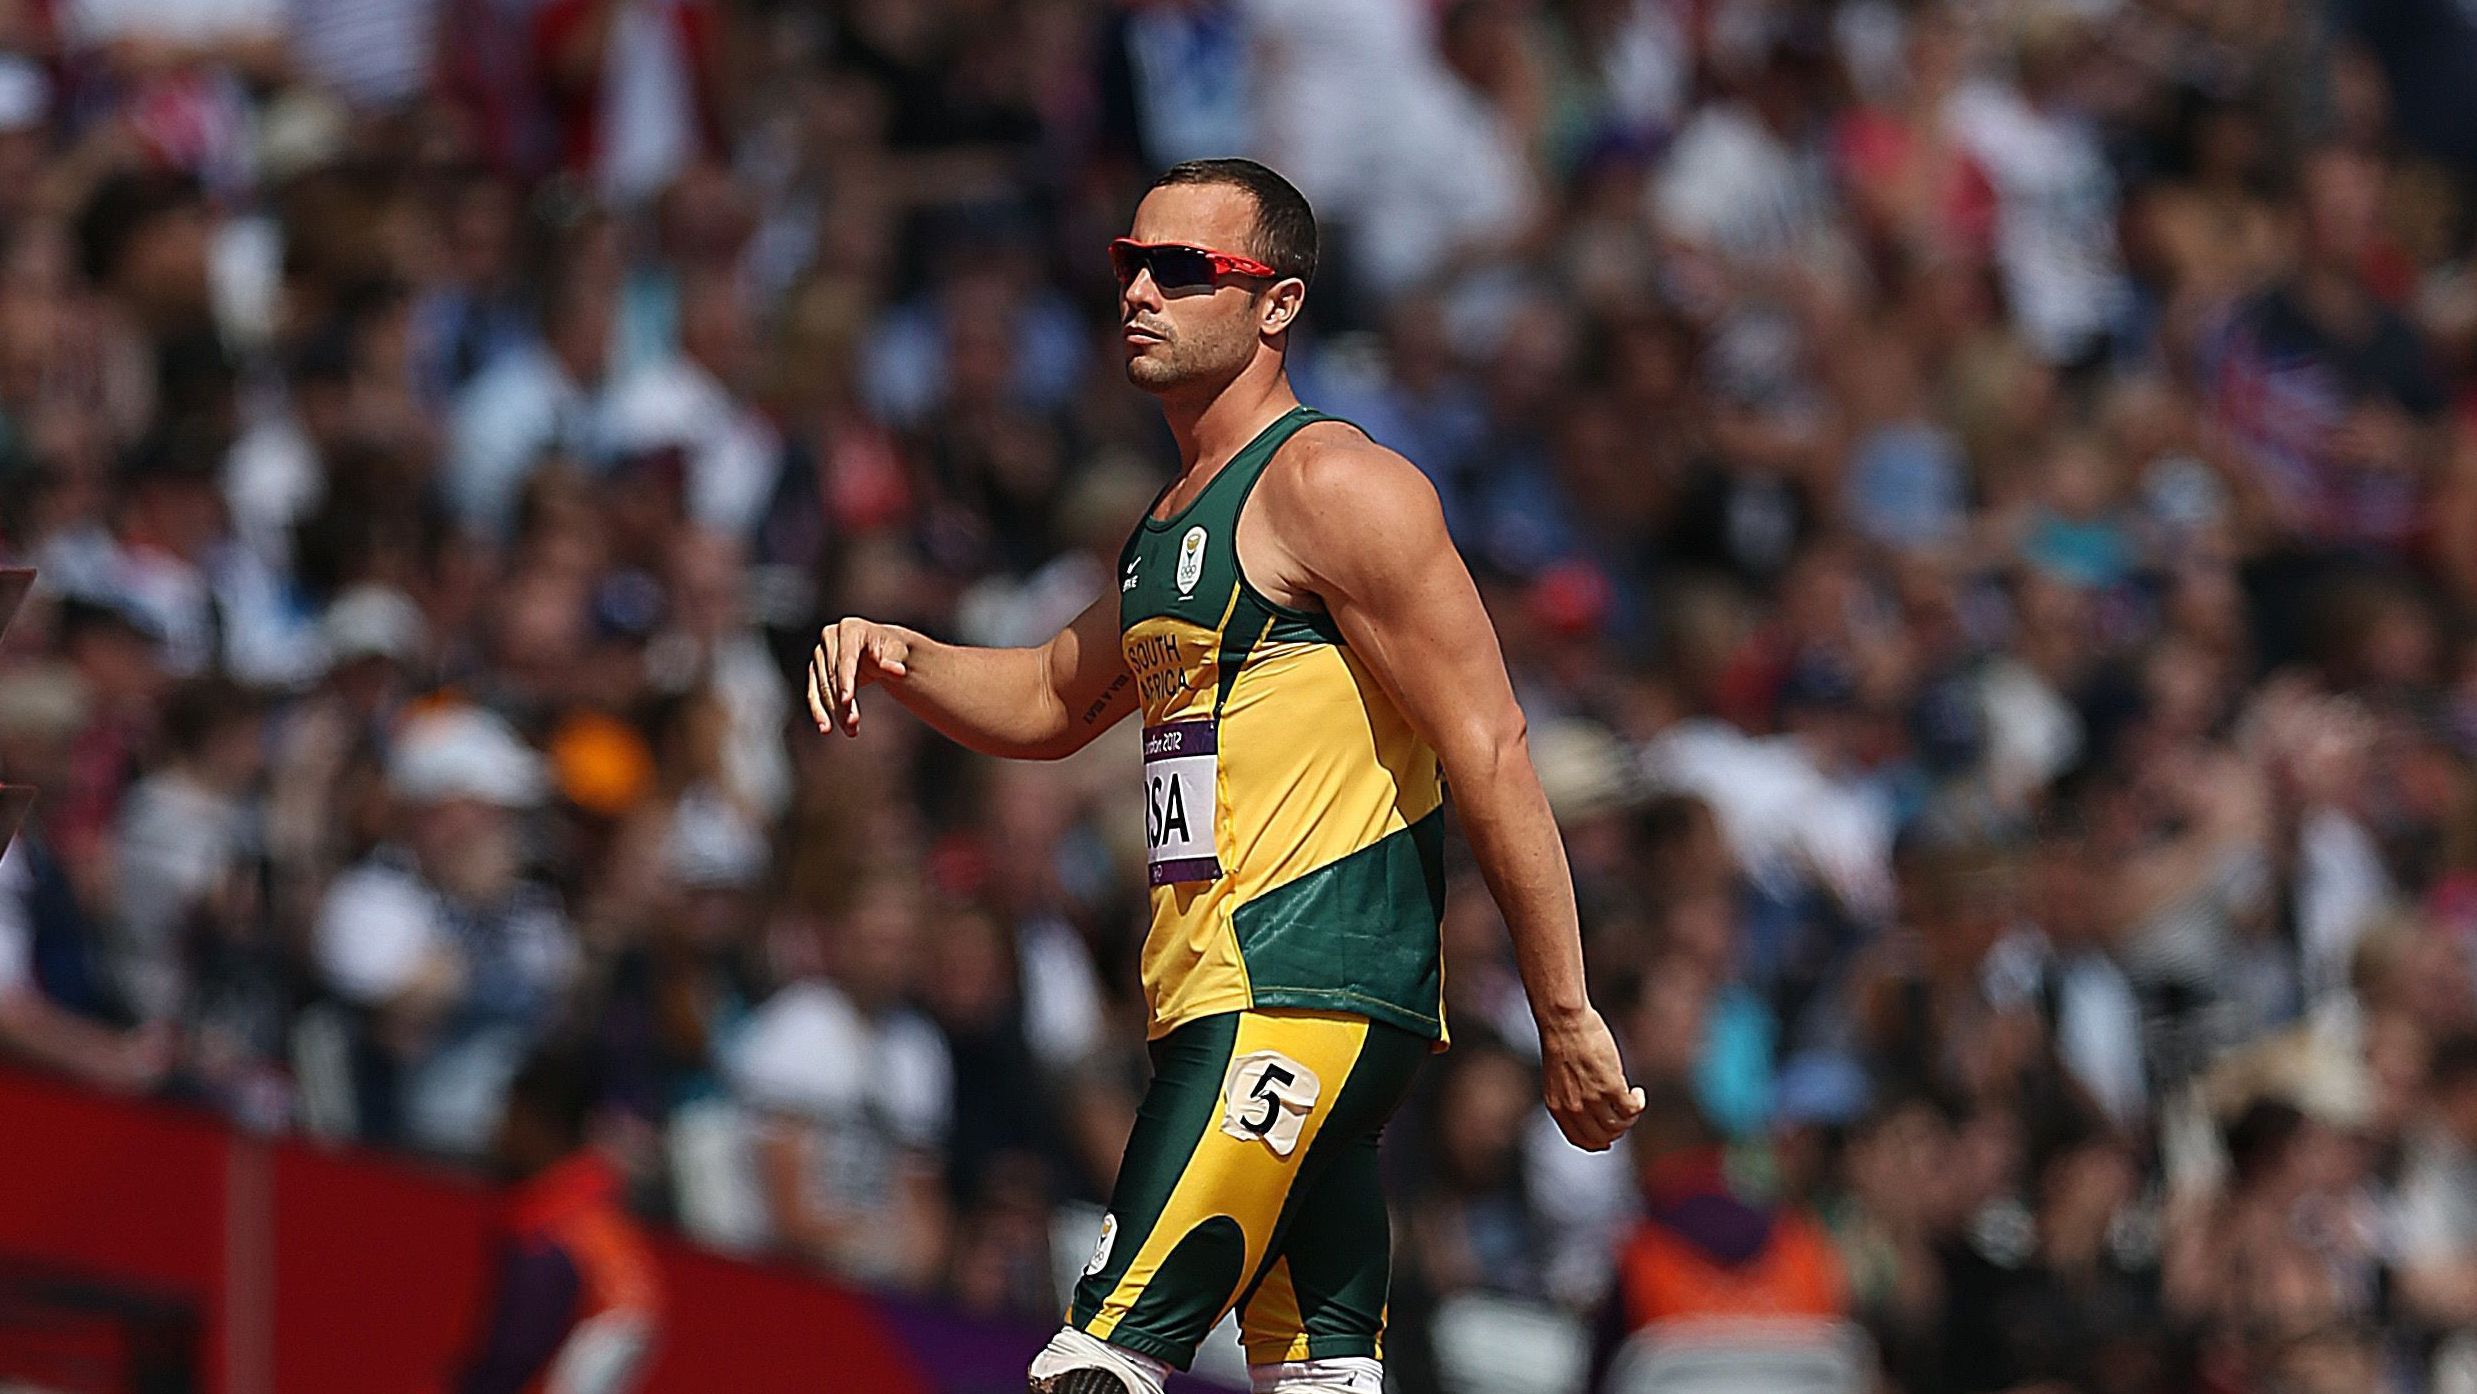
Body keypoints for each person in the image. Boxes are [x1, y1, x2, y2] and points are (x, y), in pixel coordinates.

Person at [807, 157, 1643, 1394]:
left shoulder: (1334, 485)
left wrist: (1562, 1013)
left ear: (1277, 304)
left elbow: (1489, 744)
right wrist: (900, 652)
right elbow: (1050, 695)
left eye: (1182, 268)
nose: (1138, 291)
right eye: (1128, 263)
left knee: (1095, 1364)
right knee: (1319, 1379)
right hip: (1233, 997)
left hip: (1293, 992)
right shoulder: (1172, 523)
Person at [446, 1049, 661, 1394]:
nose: (499, 1130)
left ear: (537, 1121)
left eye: (511, 1114)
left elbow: (513, 1357)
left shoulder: (547, 1231)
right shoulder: (605, 1219)